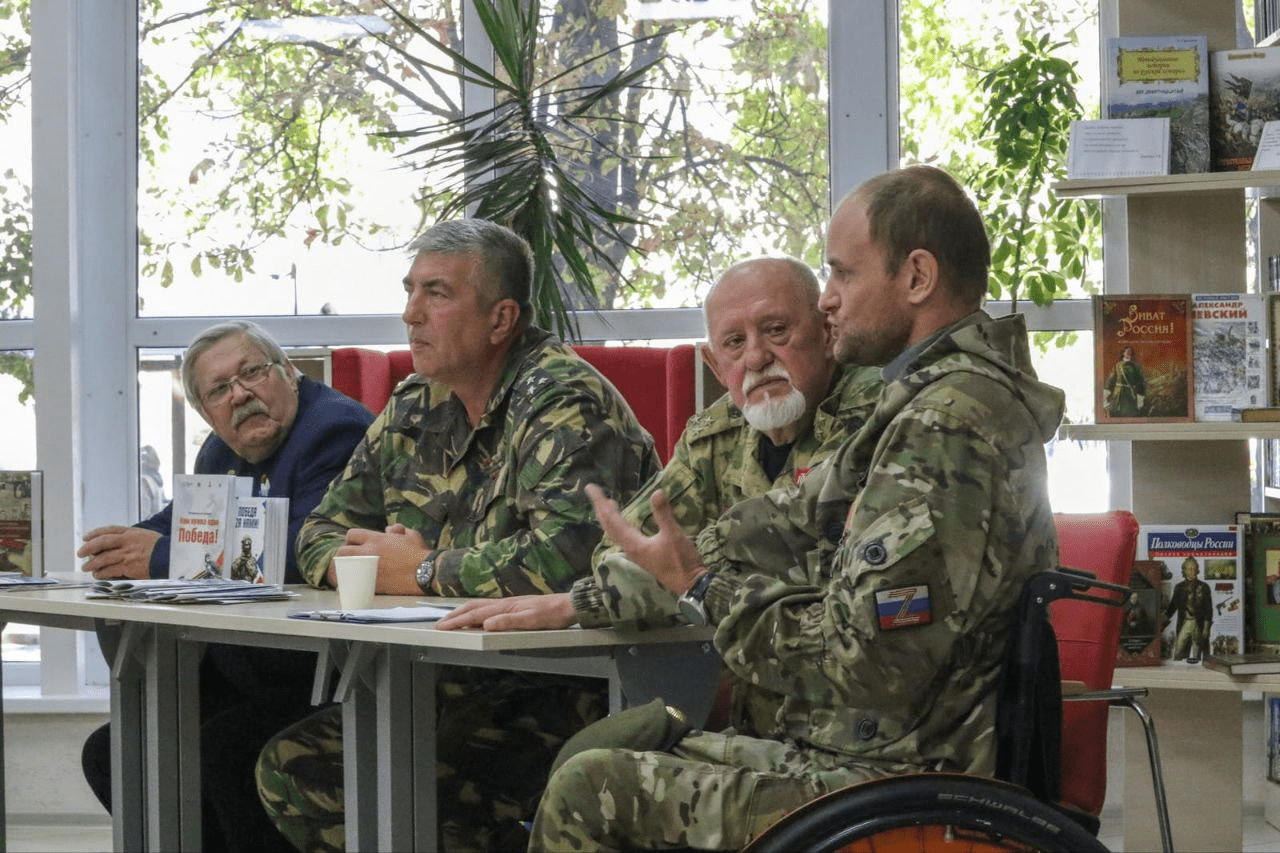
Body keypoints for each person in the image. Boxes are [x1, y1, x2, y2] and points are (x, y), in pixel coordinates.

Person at [449, 164, 1067, 852]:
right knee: (593, 754)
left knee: (591, 789)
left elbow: (866, 667)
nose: (829, 300)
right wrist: (672, 568)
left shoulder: (944, 422)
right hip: (861, 753)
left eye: (843, 274)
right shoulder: (927, 401)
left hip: (902, 779)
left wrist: (701, 587)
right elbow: (799, 512)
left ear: (917, 277)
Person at [254, 218, 660, 853]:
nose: (410, 314)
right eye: (410, 291)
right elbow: (319, 529)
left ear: (501, 320)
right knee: (293, 767)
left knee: (337, 774)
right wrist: (364, 564)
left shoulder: (564, 399)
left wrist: (420, 571)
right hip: (440, 676)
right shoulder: (416, 402)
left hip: (568, 685)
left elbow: (569, 560)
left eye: (436, 294)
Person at [437, 255, 883, 735]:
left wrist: (599, 598)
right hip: (760, 716)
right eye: (734, 342)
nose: (755, 358)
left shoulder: (873, 416)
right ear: (714, 365)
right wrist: (679, 577)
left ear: (827, 335)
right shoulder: (717, 433)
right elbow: (627, 549)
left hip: (858, 721)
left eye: (776, 331)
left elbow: (784, 548)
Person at [77, 320, 374, 853]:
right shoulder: (221, 449)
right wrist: (125, 543)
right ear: (205, 412)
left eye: (252, 373)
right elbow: (189, 520)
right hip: (250, 666)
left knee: (225, 749)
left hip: (327, 676)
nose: (240, 395)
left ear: (288, 372)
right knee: (115, 752)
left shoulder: (336, 431)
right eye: (218, 390)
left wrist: (160, 556)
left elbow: (309, 547)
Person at [1165, 555, 1213, 662]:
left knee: (1198, 653)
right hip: (1185, 622)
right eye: (1188, 568)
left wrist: (1206, 628)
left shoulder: (1204, 587)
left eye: (1193, 568)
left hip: (1199, 623)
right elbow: (1172, 607)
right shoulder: (1179, 587)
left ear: (1197, 570)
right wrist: (1162, 620)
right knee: (1179, 650)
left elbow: (1208, 610)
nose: (1191, 571)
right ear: (1184, 571)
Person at [1103, 345, 1145, 416]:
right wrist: (1106, 393)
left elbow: (1139, 382)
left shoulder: (1135, 366)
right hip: (1118, 393)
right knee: (1116, 413)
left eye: (1130, 352)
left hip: (1130, 394)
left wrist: (1140, 398)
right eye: (1127, 351)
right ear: (1123, 353)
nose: (1129, 353)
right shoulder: (1118, 365)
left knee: (1130, 413)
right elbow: (1111, 380)